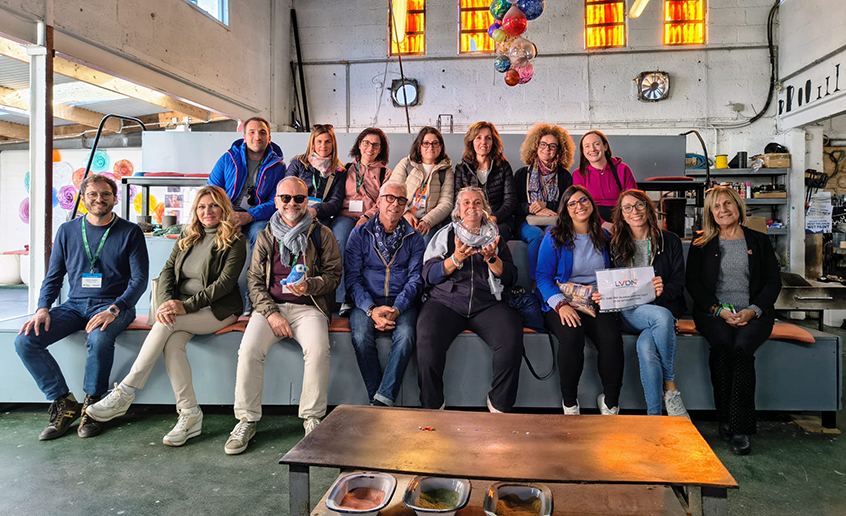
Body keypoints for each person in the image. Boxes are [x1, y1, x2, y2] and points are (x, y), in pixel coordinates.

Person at [84, 186, 246, 446]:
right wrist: (168, 302)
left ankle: (125, 391)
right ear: (196, 210)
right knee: (171, 340)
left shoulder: (235, 241)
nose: (207, 212)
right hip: (182, 308)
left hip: (218, 310)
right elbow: (168, 270)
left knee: (166, 324)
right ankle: (190, 413)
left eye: (214, 206)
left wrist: (185, 307)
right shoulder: (187, 235)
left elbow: (224, 285)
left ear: (223, 209)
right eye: (202, 207)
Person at [15, 174, 149, 440]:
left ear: (114, 197)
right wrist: (43, 307)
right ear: (83, 197)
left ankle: (93, 406)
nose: (99, 199)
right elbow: (54, 276)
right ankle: (64, 403)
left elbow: (139, 280)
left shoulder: (130, 232)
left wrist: (115, 308)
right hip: (75, 305)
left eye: (105, 194)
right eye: (93, 194)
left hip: (115, 305)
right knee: (25, 341)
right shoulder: (67, 231)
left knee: (99, 339)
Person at [226, 177, 341, 454]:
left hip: (309, 307)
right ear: (276, 201)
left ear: (307, 201)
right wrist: (271, 313)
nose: (292, 203)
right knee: (249, 350)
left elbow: (334, 275)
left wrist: (309, 285)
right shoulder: (266, 234)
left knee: (318, 349)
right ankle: (246, 419)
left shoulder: (321, 234)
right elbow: (254, 280)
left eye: (299, 198)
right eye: (285, 198)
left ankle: (312, 418)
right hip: (271, 307)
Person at [686, 186, 780, 456]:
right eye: (716, 206)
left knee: (741, 349)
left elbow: (773, 282)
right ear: (710, 213)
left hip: (754, 312)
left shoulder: (759, 241)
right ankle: (724, 417)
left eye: (728, 204)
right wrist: (718, 310)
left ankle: (741, 428)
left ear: (738, 207)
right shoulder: (701, 243)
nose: (723, 210)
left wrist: (753, 310)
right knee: (722, 347)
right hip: (714, 312)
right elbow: (694, 284)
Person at [417, 187, 523, 413]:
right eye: (466, 203)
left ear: (484, 209)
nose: (471, 207)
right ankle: (432, 405)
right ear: (458, 210)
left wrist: (492, 258)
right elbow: (429, 275)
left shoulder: (495, 236)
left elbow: (511, 277)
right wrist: (455, 259)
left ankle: (500, 405)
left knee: (511, 336)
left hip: (487, 304)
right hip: (446, 302)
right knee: (426, 338)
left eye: (477, 203)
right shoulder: (445, 234)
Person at [536, 186, 623, 415]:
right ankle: (570, 403)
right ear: (565, 210)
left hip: (596, 300)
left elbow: (614, 272)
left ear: (592, 204)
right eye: (572, 203)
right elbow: (542, 277)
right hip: (562, 301)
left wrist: (606, 293)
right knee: (572, 336)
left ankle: (611, 402)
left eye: (583, 200)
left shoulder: (604, 236)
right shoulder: (553, 237)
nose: (579, 206)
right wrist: (561, 305)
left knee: (611, 338)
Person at [345, 182, 425, 406]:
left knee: (407, 335)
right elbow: (352, 278)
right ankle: (380, 397)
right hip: (367, 301)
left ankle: (381, 400)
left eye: (401, 200)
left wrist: (397, 308)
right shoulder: (359, 234)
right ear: (378, 201)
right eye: (389, 198)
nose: (395, 204)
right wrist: (372, 310)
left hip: (402, 302)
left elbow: (415, 279)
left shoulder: (415, 238)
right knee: (360, 336)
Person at [609, 190, 688, 417]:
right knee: (662, 317)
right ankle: (671, 387)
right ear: (622, 215)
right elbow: (612, 284)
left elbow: (678, 282)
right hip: (630, 311)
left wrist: (661, 292)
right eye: (628, 208)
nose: (634, 211)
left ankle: (654, 417)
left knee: (646, 347)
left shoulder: (669, 240)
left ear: (648, 208)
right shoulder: (615, 244)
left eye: (639, 205)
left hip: (662, 305)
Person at [332, 128, 392, 315]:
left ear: (380, 149)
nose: (370, 148)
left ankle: (370, 297)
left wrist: (367, 216)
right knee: (341, 239)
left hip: (372, 218)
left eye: (375, 145)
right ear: (359, 144)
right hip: (345, 216)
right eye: (366, 143)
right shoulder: (344, 170)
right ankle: (343, 299)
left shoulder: (386, 174)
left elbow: (383, 201)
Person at [208, 117, 287, 247]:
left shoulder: (278, 167)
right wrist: (230, 215)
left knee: (261, 233)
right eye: (252, 132)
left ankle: (255, 268)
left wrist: (250, 215)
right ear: (244, 137)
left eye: (262, 132)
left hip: (258, 218)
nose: (257, 137)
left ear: (269, 138)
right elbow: (211, 192)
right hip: (227, 214)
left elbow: (276, 201)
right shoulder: (228, 159)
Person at [514, 123, 575, 281]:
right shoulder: (522, 174)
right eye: (543, 144)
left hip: (554, 219)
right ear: (535, 145)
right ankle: (538, 281)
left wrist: (546, 205)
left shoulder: (564, 176)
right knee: (536, 235)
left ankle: (557, 278)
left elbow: (567, 204)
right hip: (528, 222)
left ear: (559, 151)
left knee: (552, 234)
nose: (547, 149)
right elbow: (514, 205)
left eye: (552, 146)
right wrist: (533, 208)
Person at [389, 126, 454, 246]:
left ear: (441, 146)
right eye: (426, 143)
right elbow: (392, 192)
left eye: (435, 143)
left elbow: (447, 203)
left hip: (429, 222)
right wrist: (405, 213)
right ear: (419, 146)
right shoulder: (406, 164)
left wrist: (428, 220)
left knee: (424, 244)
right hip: (402, 217)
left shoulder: (446, 171)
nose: (431, 147)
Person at [453, 121, 517, 241]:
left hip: (499, 221)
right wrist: (472, 220)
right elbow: (457, 201)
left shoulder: (503, 166)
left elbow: (510, 201)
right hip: (470, 220)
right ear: (471, 141)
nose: (484, 142)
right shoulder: (462, 168)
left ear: (493, 142)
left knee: (495, 235)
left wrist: (494, 218)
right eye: (479, 138)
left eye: (488, 138)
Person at [285, 124, 347, 225]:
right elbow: (286, 190)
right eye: (319, 141)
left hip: (321, 217)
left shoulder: (339, 171)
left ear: (333, 144)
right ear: (313, 143)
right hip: (296, 213)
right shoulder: (299, 163)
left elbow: (336, 202)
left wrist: (316, 210)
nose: (323, 146)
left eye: (327, 142)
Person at [572, 130, 636, 222]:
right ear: (583, 151)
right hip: (593, 221)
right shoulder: (578, 174)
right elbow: (580, 207)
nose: (592, 149)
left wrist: (621, 223)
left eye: (596, 144)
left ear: (605, 146)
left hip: (622, 218)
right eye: (587, 146)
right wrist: (602, 224)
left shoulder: (623, 169)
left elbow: (633, 199)